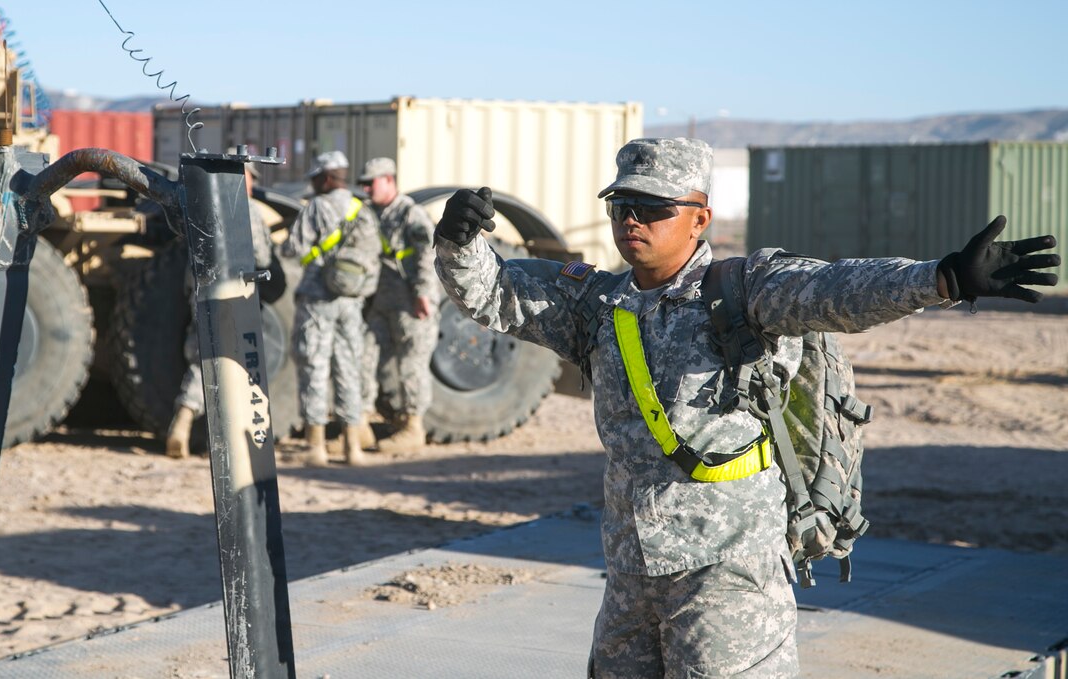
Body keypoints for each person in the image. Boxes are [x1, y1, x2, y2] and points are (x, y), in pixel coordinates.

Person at [431, 137, 1060, 678]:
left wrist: (942, 279)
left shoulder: (745, 290)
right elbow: (497, 293)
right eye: (622, 206)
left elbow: (839, 289)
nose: (633, 220)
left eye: (654, 207)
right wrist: (458, 244)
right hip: (631, 566)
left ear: (699, 217)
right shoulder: (596, 303)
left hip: (729, 569)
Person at [166, 158, 274, 459]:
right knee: (233, 363)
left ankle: (183, 420)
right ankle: (228, 441)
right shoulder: (248, 208)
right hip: (236, 293)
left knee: (201, 354)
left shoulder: (201, 205)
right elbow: (262, 256)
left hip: (202, 288)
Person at [281, 150, 381, 466]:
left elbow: (292, 248)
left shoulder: (318, 207)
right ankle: (352, 447)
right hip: (351, 302)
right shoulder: (361, 209)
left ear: (326, 178)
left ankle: (316, 447)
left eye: (314, 177)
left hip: (317, 299)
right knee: (348, 369)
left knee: (314, 366)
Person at [356, 157, 441, 452]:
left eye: (371, 182)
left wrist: (423, 294)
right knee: (365, 355)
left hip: (410, 303)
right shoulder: (369, 214)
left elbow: (426, 255)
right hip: (381, 302)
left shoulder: (410, 214)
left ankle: (413, 429)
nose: (366, 188)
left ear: (389, 180)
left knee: (411, 364)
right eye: (364, 183)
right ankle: (362, 424)